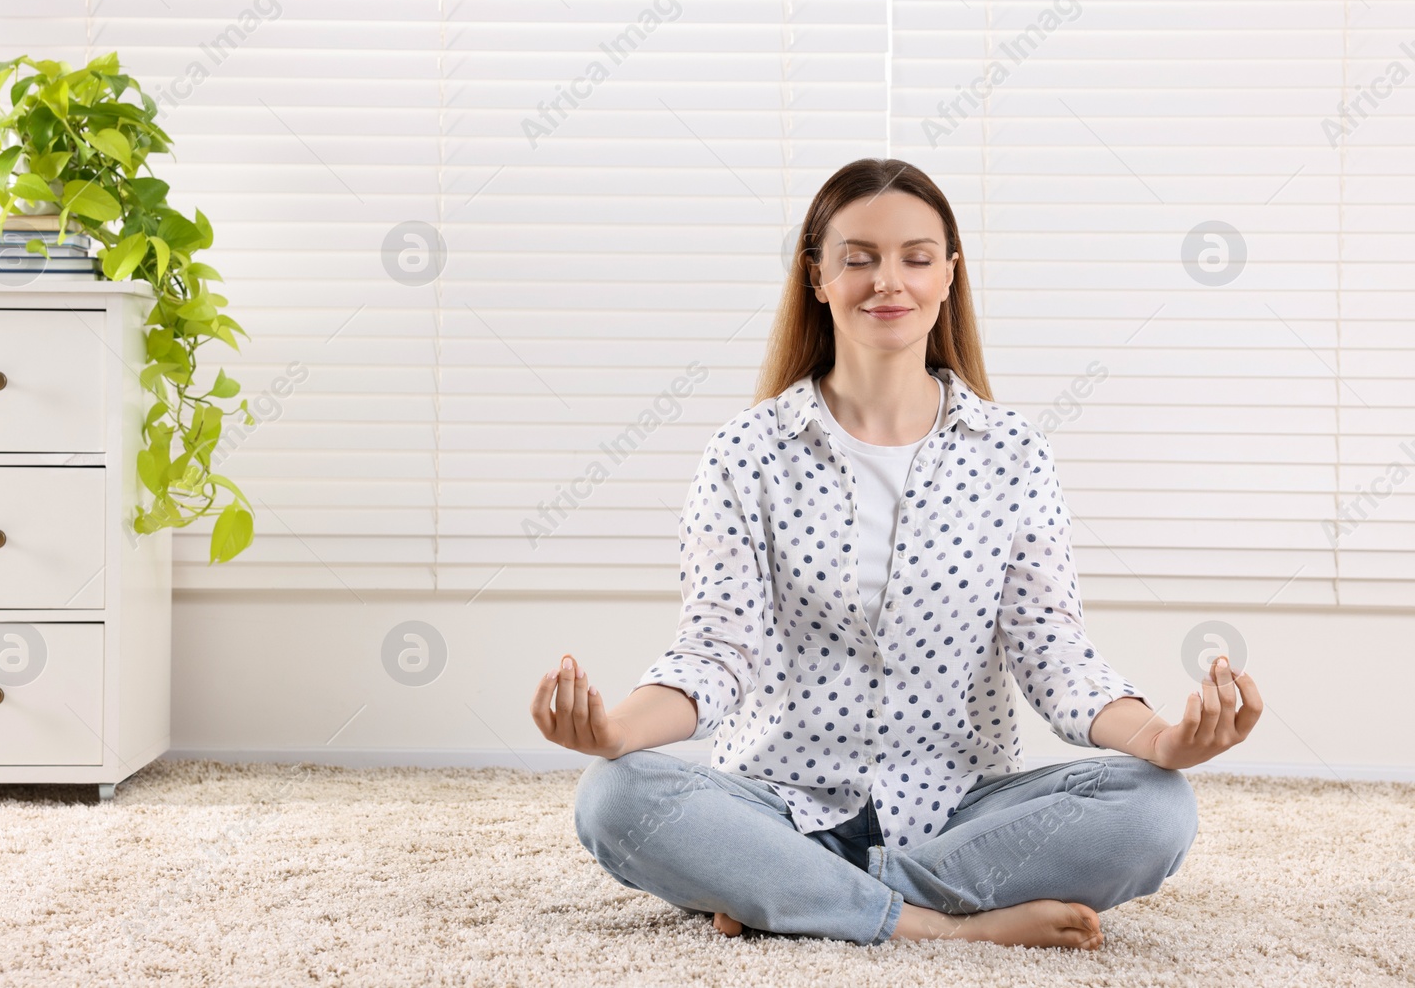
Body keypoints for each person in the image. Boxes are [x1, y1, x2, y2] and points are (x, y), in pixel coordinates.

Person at [529, 157, 1263, 949]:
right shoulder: (744, 453)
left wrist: (1162, 740)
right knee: (615, 797)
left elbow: (1054, 655)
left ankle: (791, 893)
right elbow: (718, 649)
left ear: (949, 275)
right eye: (859, 257)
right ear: (816, 276)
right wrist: (613, 731)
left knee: (1157, 807)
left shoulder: (1014, 453)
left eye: (916, 257)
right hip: (779, 801)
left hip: (958, 815)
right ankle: (938, 925)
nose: (889, 280)